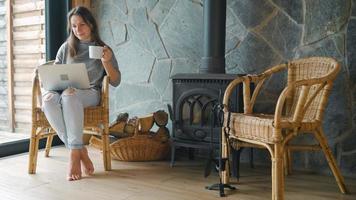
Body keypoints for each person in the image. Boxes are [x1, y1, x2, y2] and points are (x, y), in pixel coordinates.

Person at [41, 6, 121, 181]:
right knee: (47, 101)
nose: (78, 30)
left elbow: (115, 81)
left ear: (91, 24)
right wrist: (49, 90)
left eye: (82, 25)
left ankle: (73, 156)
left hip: (90, 93)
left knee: (70, 96)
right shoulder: (66, 47)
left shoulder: (102, 49)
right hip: (63, 91)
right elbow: (55, 74)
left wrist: (106, 62)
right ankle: (78, 149)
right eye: (74, 26)